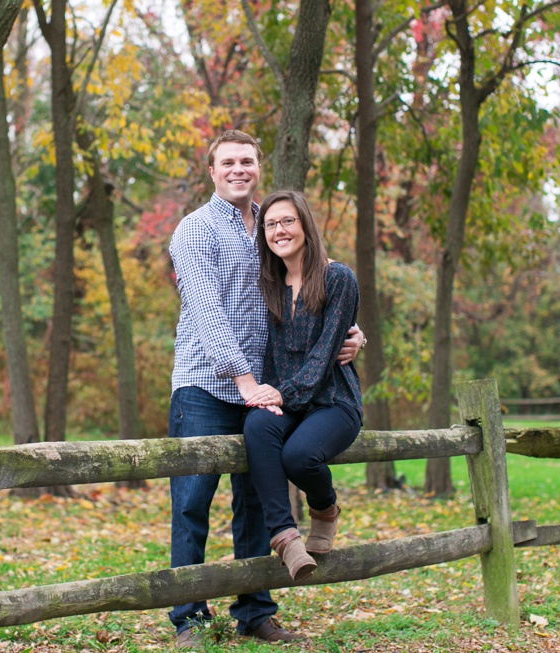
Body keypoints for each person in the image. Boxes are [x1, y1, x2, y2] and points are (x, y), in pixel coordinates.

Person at [167, 130, 364, 648]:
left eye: (247, 161)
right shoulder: (194, 231)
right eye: (227, 162)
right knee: (192, 502)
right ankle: (189, 616)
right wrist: (244, 379)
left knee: (255, 501)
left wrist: (350, 332)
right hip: (208, 387)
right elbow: (208, 313)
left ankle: (254, 611)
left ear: (259, 167)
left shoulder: (270, 225)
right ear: (211, 171)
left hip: (270, 390)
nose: (238, 169)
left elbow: (315, 287)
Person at [242, 190, 362, 580]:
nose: (280, 230)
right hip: (289, 402)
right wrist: (274, 396)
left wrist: (281, 392)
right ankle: (284, 536)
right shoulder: (268, 284)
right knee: (257, 426)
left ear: (306, 225)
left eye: (287, 221)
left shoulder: (338, 277)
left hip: (333, 402)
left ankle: (325, 508)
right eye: (271, 224)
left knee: (299, 456)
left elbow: (327, 352)